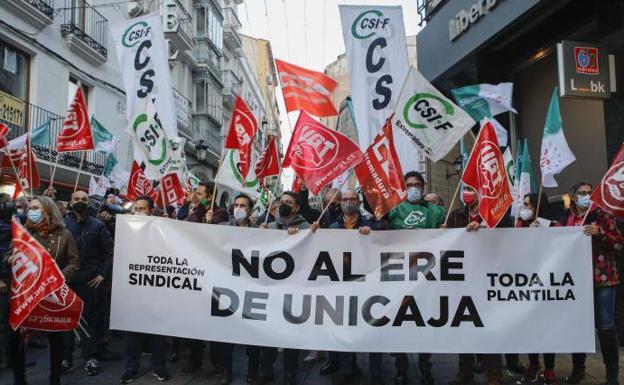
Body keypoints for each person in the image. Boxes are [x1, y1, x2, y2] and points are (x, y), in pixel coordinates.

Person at [7, 196, 79, 385]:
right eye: (30, 207)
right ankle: (19, 380)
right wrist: (12, 259)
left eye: (36, 208)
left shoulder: (65, 235)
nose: (32, 211)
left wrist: (59, 277)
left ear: (48, 211)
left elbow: (74, 262)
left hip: (51, 296)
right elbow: (8, 256)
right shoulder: (23, 234)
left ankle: (54, 379)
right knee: (16, 339)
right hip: (26, 294)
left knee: (56, 340)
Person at [559, 182, 623, 385]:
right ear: (573, 196)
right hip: (575, 281)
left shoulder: (602, 215)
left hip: (602, 278)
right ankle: (578, 370)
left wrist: (600, 232)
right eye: (582, 193)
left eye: (589, 192)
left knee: (605, 325)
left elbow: (619, 243)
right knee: (578, 326)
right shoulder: (567, 219)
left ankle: (611, 373)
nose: (586, 196)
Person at [446, 186, 506, 385]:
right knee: (463, 327)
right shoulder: (455, 215)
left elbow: (506, 237)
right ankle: (465, 371)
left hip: (487, 277)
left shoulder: (494, 213)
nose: (467, 193)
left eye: (472, 188)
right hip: (462, 278)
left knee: (490, 326)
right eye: (465, 189)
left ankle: (494, 373)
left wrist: (485, 229)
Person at [326, 190, 384, 385]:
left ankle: (376, 372)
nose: (348, 202)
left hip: (367, 286)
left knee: (373, 329)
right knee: (345, 329)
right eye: (344, 199)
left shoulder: (371, 224)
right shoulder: (333, 227)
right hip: (343, 287)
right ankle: (347, 368)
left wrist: (373, 235)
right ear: (340, 203)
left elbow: (384, 243)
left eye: (352, 199)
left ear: (359, 202)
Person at [388, 171, 440, 385]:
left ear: (424, 186)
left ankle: (425, 367)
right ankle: (401, 368)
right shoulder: (395, 211)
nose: (414, 189)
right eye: (409, 185)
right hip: (400, 277)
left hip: (426, 277)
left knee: (424, 323)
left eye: (417, 185)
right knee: (399, 323)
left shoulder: (437, 212)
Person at [63, 190, 117, 376]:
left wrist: (103, 274)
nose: (80, 201)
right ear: (71, 202)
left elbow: (110, 252)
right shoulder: (62, 223)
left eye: (84, 199)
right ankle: (66, 358)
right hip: (67, 282)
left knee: (91, 321)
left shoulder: (98, 225)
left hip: (91, 282)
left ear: (89, 203)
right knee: (67, 322)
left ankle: (90, 357)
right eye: (76, 198)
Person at [261, 191, 311, 385]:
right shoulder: (269, 226)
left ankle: (290, 373)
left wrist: (303, 235)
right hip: (271, 290)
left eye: (288, 202)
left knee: (290, 335)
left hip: (294, 290)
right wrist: (260, 235)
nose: (284, 204)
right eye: (281, 201)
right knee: (268, 334)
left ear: (296, 207)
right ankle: (266, 369)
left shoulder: (305, 227)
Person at [120, 196, 171, 384]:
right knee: (133, 333)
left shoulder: (162, 229)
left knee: (158, 333)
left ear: (150, 211)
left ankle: (159, 367)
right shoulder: (127, 230)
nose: (138, 212)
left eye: (142, 209)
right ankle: (131, 369)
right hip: (134, 289)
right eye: (136, 209)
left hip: (156, 290)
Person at [515, 192, 559, 384]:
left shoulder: (555, 225)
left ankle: (549, 368)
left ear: (538, 206)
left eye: (528, 205)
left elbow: (561, 248)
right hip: (526, 284)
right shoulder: (520, 226)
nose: (525, 209)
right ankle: (533, 363)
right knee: (530, 326)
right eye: (523, 205)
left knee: (548, 327)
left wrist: (542, 233)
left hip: (548, 284)